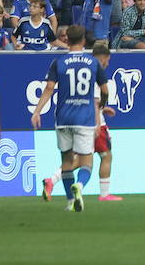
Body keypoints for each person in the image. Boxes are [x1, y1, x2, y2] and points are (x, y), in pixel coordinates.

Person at [31, 24, 109, 212]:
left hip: (64, 118)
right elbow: (104, 91)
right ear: (83, 41)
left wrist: (37, 111)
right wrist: (102, 106)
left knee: (66, 161)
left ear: (67, 40)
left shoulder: (58, 62)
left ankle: (69, 202)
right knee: (86, 162)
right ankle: (80, 187)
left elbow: (49, 89)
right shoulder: (93, 63)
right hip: (85, 118)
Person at [90, 43, 123, 201]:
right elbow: (95, 102)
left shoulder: (85, 70)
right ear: (102, 58)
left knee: (77, 160)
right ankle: (104, 194)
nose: (108, 63)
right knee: (106, 156)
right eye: (107, 60)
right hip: (97, 124)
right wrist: (98, 120)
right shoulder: (97, 73)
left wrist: (104, 109)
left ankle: (52, 180)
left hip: (82, 122)